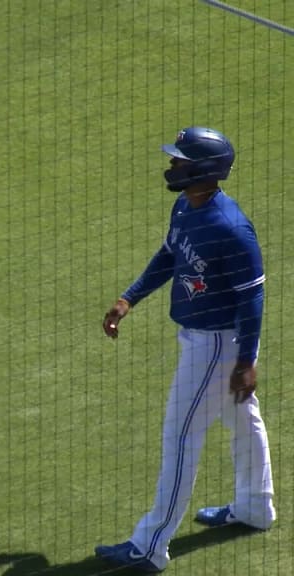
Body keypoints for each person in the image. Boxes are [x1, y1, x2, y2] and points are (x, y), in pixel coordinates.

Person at [96, 126, 275, 572]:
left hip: (216, 346)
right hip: (201, 341)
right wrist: (129, 297)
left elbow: (252, 297)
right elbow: (170, 255)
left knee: (180, 437)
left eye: (180, 160)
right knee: (242, 420)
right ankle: (255, 507)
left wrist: (246, 361)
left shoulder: (229, 227)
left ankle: (150, 546)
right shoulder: (185, 206)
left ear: (204, 170)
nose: (172, 165)